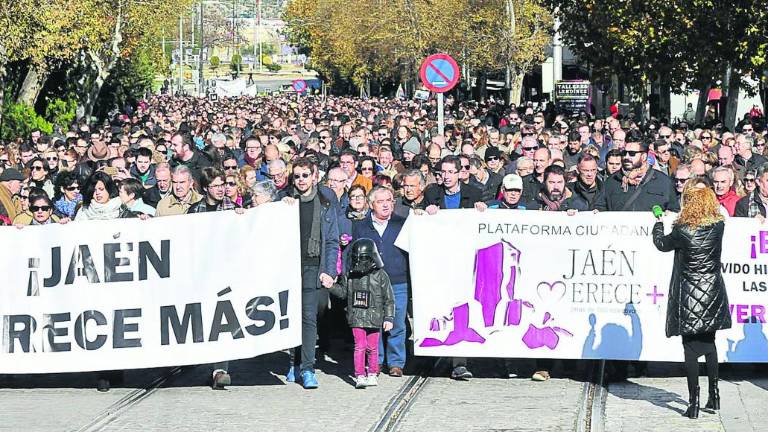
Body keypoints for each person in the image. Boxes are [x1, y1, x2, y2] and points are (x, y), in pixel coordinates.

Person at [652, 185, 731, 419]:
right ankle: (714, 395)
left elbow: (661, 244)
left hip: (689, 294)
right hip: (712, 291)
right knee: (710, 344)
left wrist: (658, 223)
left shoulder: (682, 229)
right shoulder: (719, 226)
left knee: (690, 349)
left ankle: (693, 402)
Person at [286, 157, 340, 389]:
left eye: (305, 175)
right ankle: (294, 361)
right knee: (293, 316)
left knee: (309, 317)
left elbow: (332, 241)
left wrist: (329, 270)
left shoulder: (326, 202)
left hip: (313, 266)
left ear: (314, 176)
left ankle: (307, 368)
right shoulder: (286, 203)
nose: (301, 180)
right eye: (297, 176)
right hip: (290, 267)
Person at [352, 186, 409, 378]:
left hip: (398, 280)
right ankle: (376, 361)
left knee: (397, 322)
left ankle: (396, 362)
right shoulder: (361, 227)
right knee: (374, 323)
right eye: (380, 201)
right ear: (371, 204)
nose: (386, 205)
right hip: (371, 283)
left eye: (389, 201)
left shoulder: (402, 224)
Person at [326, 238, 395, 389]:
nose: (360, 263)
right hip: (357, 316)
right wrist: (331, 286)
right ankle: (359, 375)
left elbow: (389, 298)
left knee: (373, 347)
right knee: (360, 346)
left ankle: (372, 373)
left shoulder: (381, 275)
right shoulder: (349, 275)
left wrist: (389, 317)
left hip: (375, 316)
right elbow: (343, 293)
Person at [593, 140, 679, 212]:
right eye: (624, 153)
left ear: (644, 156)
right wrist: (597, 211)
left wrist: (669, 214)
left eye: (632, 154)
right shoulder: (612, 181)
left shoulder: (663, 181)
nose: (626, 157)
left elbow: (674, 209)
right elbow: (600, 206)